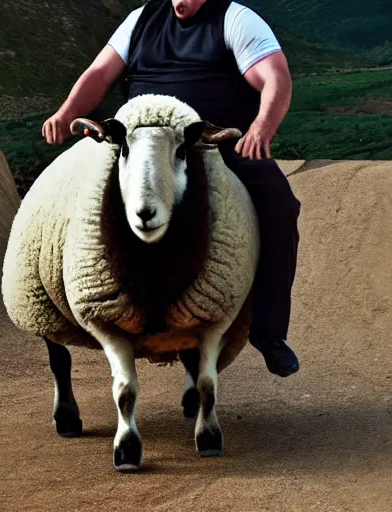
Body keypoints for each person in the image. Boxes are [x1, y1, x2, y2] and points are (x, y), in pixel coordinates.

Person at [42, 0, 301, 377]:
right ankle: (75, 307)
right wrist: (67, 112)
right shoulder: (140, 20)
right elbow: (99, 74)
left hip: (214, 143)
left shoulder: (236, 19)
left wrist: (262, 127)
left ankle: (269, 333)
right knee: (68, 195)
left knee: (280, 206)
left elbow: (275, 76)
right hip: (141, 147)